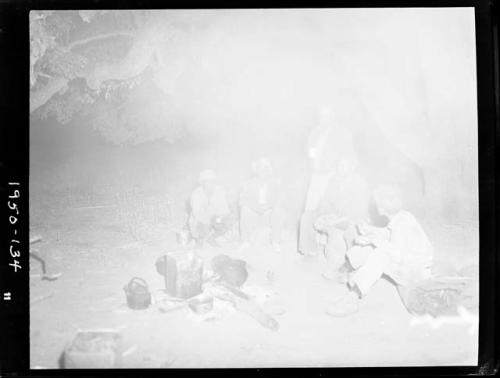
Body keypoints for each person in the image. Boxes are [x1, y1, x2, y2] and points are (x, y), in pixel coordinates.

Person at [326, 185, 434, 317]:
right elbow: (389, 235)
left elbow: (398, 254)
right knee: (370, 244)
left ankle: (353, 298)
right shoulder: (403, 217)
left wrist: (374, 241)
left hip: (416, 273)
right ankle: (345, 271)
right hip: (411, 265)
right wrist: (369, 231)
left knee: (380, 255)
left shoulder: (402, 224)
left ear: (382, 207)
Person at [298, 106, 356, 256]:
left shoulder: (341, 133)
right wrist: (312, 158)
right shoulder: (316, 132)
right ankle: (309, 244)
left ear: (333, 116)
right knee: (310, 206)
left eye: (327, 115)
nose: (323, 118)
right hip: (316, 174)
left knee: (326, 205)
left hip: (331, 174)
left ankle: (324, 241)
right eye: (321, 115)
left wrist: (341, 169)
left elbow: (348, 153)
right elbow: (309, 149)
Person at [313, 157, 370, 281]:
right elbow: (326, 200)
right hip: (337, 217)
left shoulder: (360, 184)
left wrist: (336, 221)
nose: (340, 169)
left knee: (338, 236)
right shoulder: (334, 180)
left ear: (352, 168)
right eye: (339, 166)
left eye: (343, 166)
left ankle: (346, 270)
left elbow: (358, 210)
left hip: (353, 219)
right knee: (320, 224)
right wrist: (323, 214)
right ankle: (333, 266)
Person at [239, 158, 285, 251]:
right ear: (256, 171)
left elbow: (280, 200)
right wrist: (255, 207)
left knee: (279, 211)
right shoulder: (248, 184)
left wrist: (269, 206)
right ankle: (246, 242)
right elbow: (241, 201)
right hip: (254, 215)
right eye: (260, 169)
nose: (263, 172)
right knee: (245, 209)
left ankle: (275, 242)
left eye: (265, 169)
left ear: (268, 171)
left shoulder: (274, 183)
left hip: (268, 215)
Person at [188, 169, 231, 247]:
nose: (210, 184)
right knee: (202, 227)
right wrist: (209, 220)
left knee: (227, 222)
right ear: (202, 183)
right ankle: (199, 240)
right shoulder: (196, 194)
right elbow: (197, 214)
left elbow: (225, 209)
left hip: (214, 218)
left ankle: (211, 238)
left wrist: (219, 218)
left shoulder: (220, 191)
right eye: (207, 181)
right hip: (199, 221)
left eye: (212, 181)